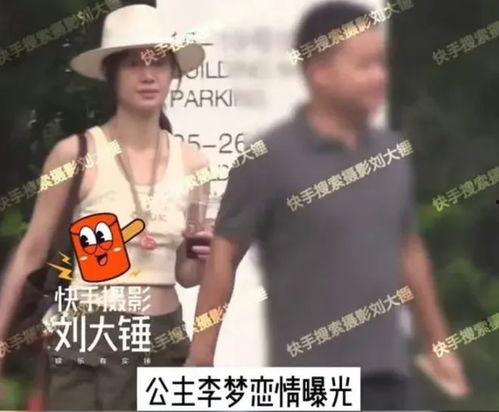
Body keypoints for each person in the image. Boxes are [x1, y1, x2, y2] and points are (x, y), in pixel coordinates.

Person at [185, 1, 470, 409]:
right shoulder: (270, 158)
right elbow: (224, 254)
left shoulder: (392, 154)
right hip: (311, 385)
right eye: (365, 66)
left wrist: (438, 343)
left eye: (382, 64)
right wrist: (201, 357)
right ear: (319, 72)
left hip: (389, 377)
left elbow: (408, 250)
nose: (379, 77)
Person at [0, 4, 211, 409]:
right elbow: (32, 250)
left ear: (173, 73)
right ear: (111, 75)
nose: (148, 75)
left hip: (162, 342)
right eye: (133, 64)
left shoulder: (194, 164)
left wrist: (201, 255)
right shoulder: (75, 153)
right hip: (88, 341)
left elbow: (187, 276)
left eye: (158, 63)